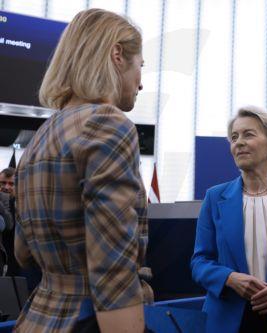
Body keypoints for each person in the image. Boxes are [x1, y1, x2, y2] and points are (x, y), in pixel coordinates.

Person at [14, 8, 151, 332]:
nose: (141, 83)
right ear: (117, 54)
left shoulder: (41, 137)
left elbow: (23, 253)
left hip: (40, 318)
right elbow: (113, 272)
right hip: (90, 321)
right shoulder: (108, 123)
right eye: (140, 67)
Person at [191, 106, 267, 333]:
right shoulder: (214, 197)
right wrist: (229, 277)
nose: (238, 142)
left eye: (248, 134)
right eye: (234, 137)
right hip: (226, 320)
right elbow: (199, 262)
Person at [0, 167, 19, 276]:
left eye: (11, 184)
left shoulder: (23, 207)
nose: (6, 187)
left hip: (17, 264)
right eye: (2, 183)